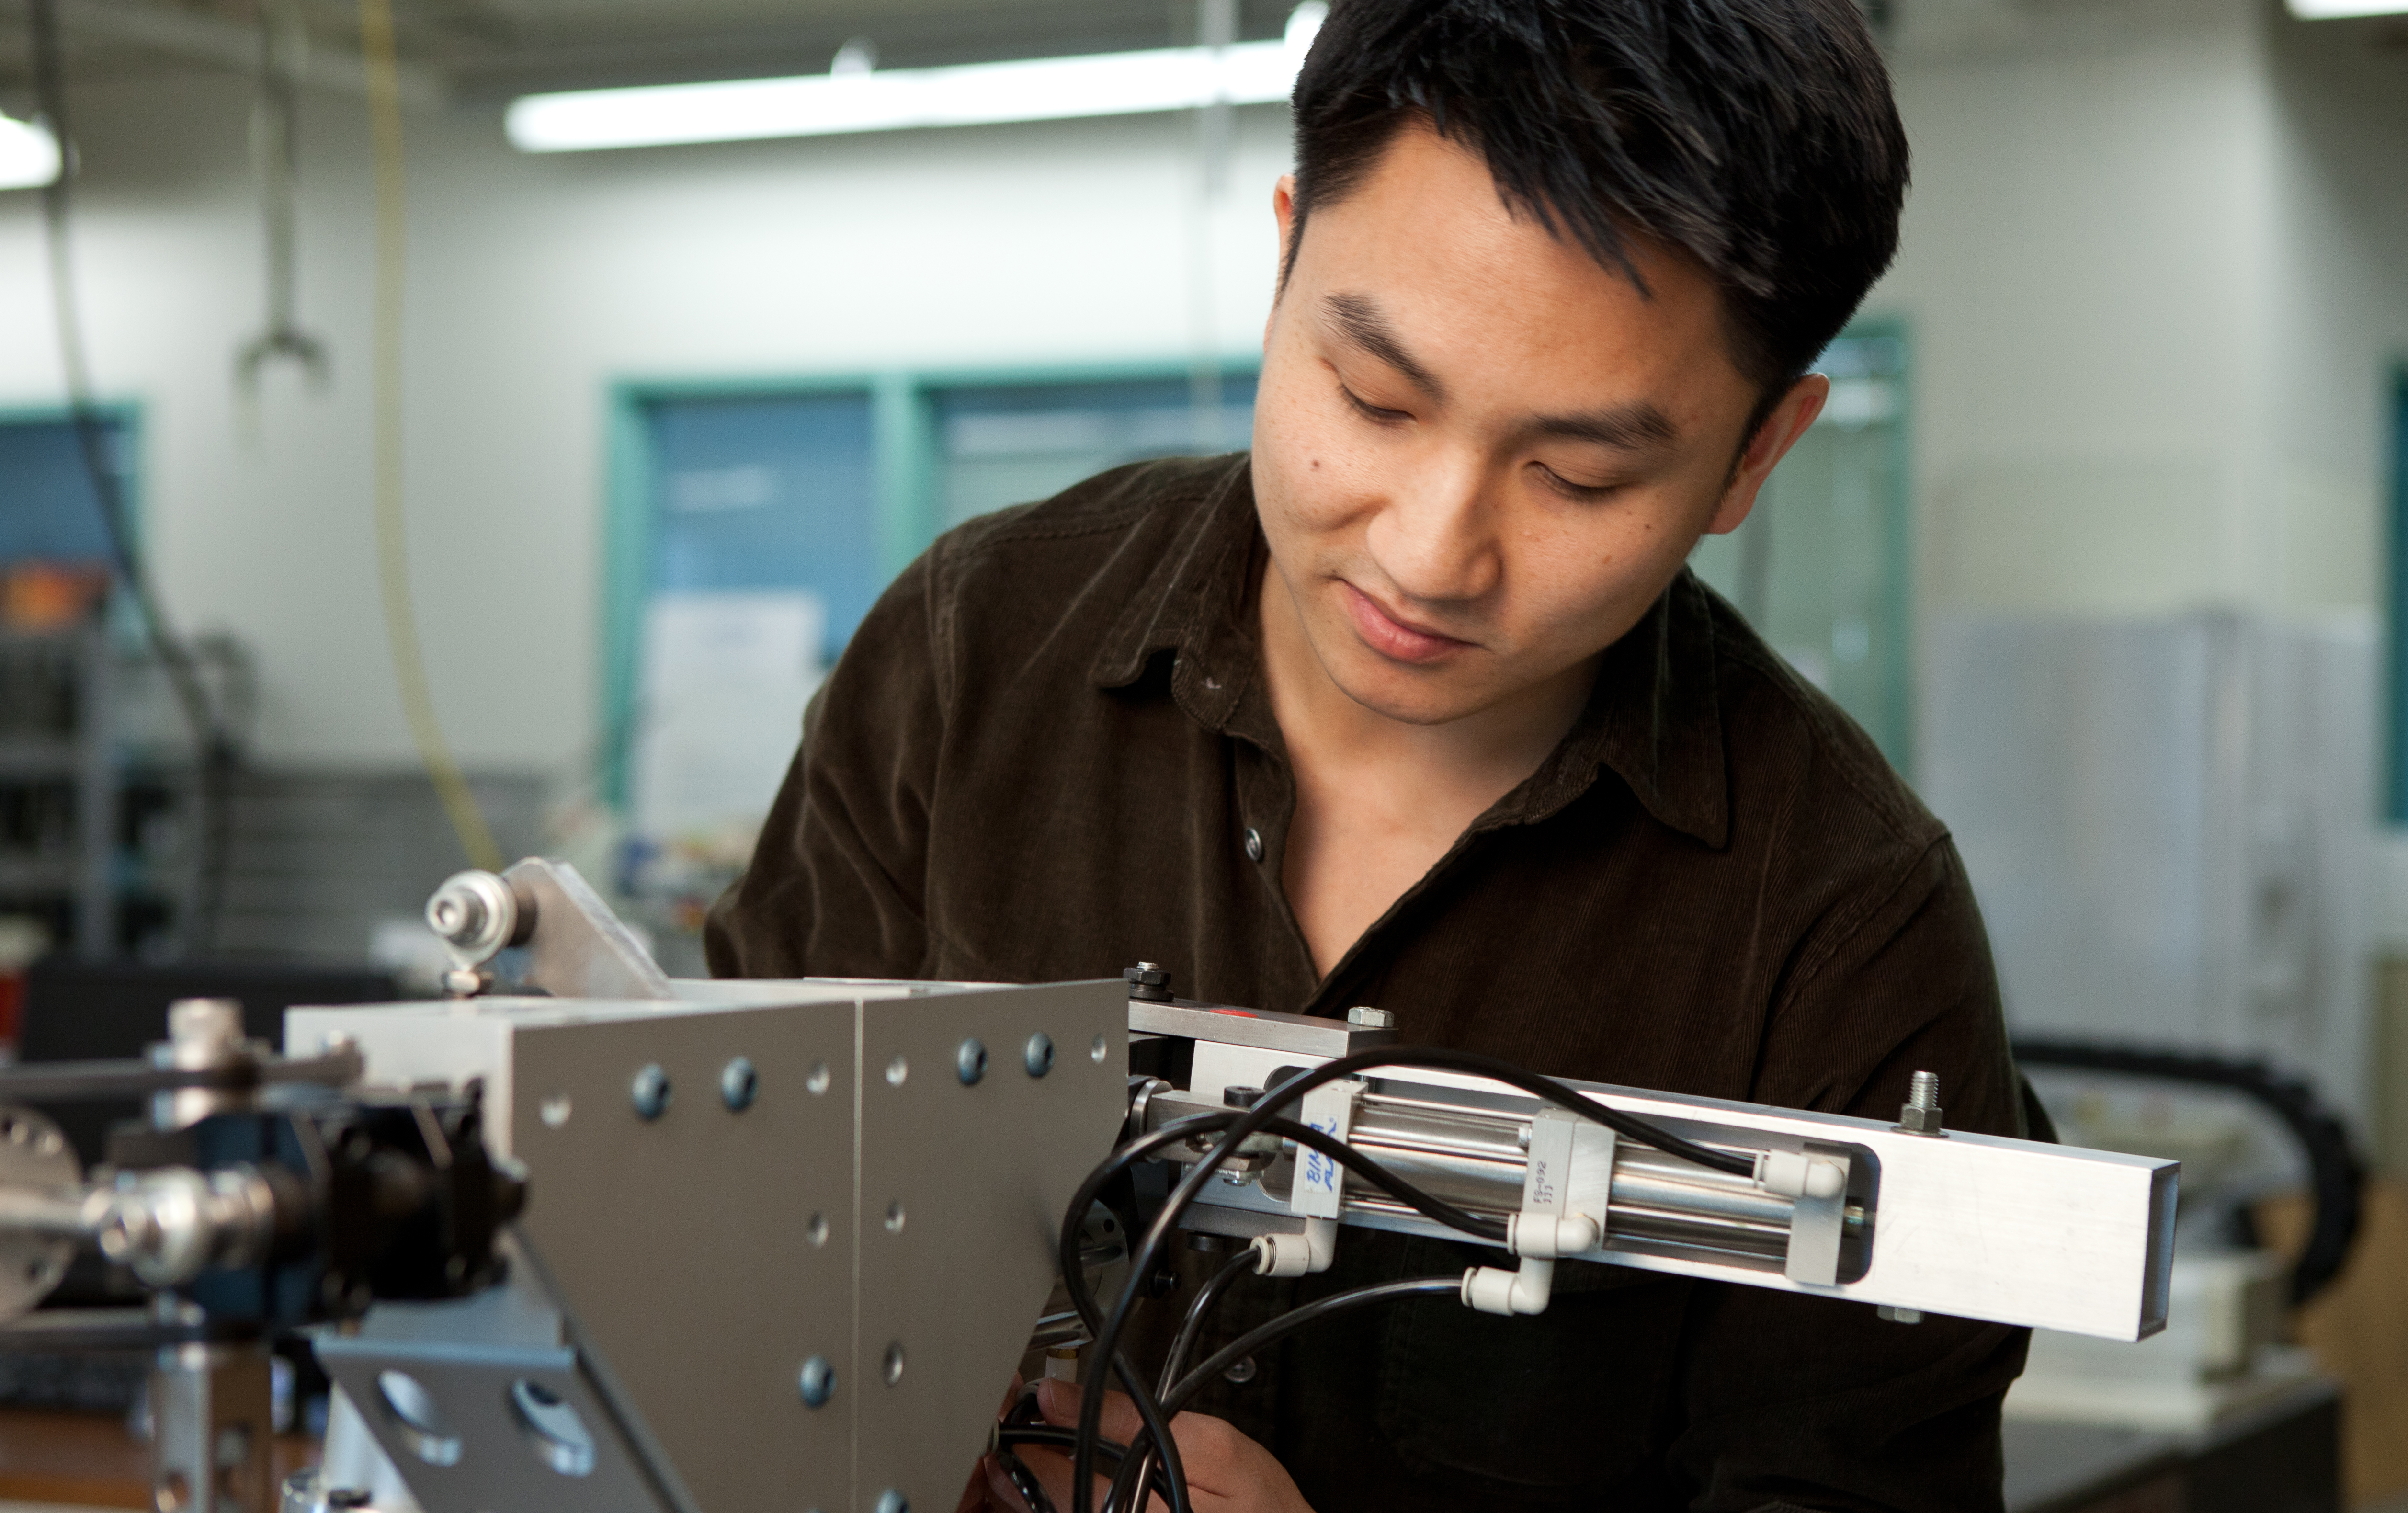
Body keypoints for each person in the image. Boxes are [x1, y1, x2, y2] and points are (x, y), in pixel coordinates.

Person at [706, 0, 2034, 1508]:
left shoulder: (1844, 921)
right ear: (1283, 258)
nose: (1431, 552)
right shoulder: (973, 657)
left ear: (1754, 456)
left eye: (1578, 474)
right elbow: (725, 1241)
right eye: (1374, 400)